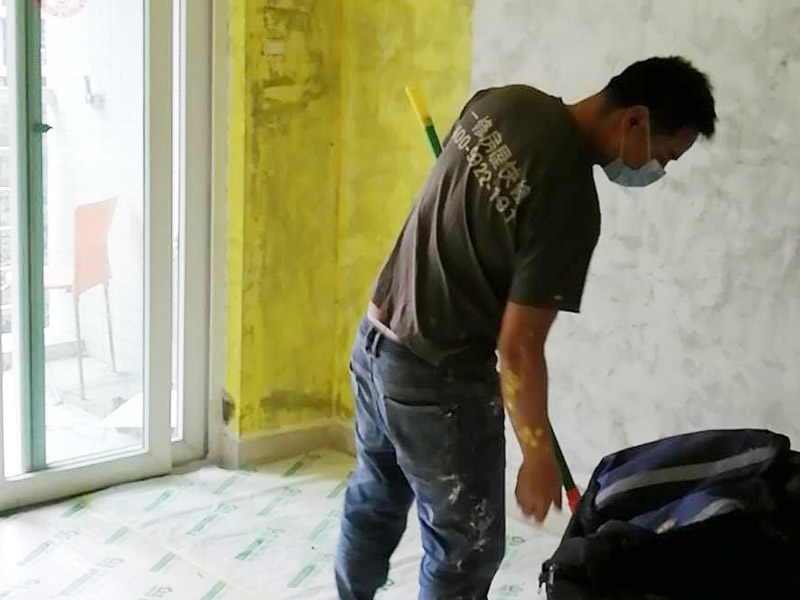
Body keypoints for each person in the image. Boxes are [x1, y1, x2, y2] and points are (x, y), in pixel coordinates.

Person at [335, 56, 717, 600]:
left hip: (376, 335)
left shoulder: (504, 101)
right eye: (664, 156)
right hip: (436, 377)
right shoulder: (571, 201)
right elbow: (518, 348)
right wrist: (537, 455)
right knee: (465, 549)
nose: (656, 170)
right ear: (635, 121)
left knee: (374, 499)